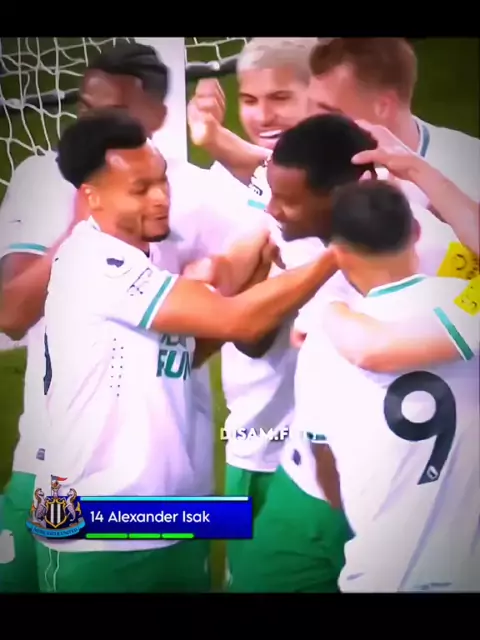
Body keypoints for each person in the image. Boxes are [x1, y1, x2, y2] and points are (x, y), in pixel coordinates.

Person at [34, 109, 342, 593]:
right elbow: (237, 320)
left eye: (162, 181)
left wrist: (258, 265)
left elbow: (194, 349)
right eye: (140, 189)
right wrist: (338, 254)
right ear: (92, 197)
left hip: (179, 513)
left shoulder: (146, 260)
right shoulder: (93, 261)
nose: (161, 198)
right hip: (97, 524)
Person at [0, 41, 270, 592]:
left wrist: (217, 281)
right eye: (87, 108)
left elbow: (261, 258)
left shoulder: (196, 193)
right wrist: (84, 223)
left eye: (115, 111)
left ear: (157, 115)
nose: (95, 122)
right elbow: (10, 314)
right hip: (60, 465)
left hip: (170, 478)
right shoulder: (45, 180)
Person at [227, 113, 472, 592]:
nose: (273, 210)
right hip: (309, 485)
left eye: (288, 200)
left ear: (344, 194)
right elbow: (249, 339)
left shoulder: (440, 253)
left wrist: (328, 307)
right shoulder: (293, 239)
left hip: (405, 497)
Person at [290, 180, 479, 592]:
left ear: (338, 254)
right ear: (416, 232)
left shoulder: (325, 338)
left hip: (380, 577)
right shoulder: (468, 304)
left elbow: (325, 468)